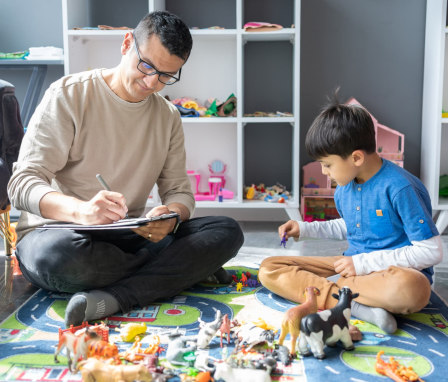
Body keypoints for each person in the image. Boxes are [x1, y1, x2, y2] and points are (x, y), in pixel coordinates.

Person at [8, 11, 244, 328]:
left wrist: (171, 215)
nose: (151, 82)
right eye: (146, 66)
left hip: (127, 234)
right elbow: (21, 184)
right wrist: (82, 211)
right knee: (57, 259)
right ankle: (180, 270)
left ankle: (116, 297)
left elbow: (179, 192)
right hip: (60, 235)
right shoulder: (68, 95)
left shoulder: (168, 117)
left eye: (165, 76)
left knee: (226, 231)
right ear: (125, 44)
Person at [258, 96, 444, 334]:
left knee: (413, 289)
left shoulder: (401, 188)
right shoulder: (345, 186)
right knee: (270, 268)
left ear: (356, 157)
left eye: (328, 164)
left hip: (389, 277)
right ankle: (359, 307)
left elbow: (431, 251)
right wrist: (304, 228)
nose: (324, 172)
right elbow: (352, 226)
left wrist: (362, 264)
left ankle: (335, 294)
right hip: (349, 271)